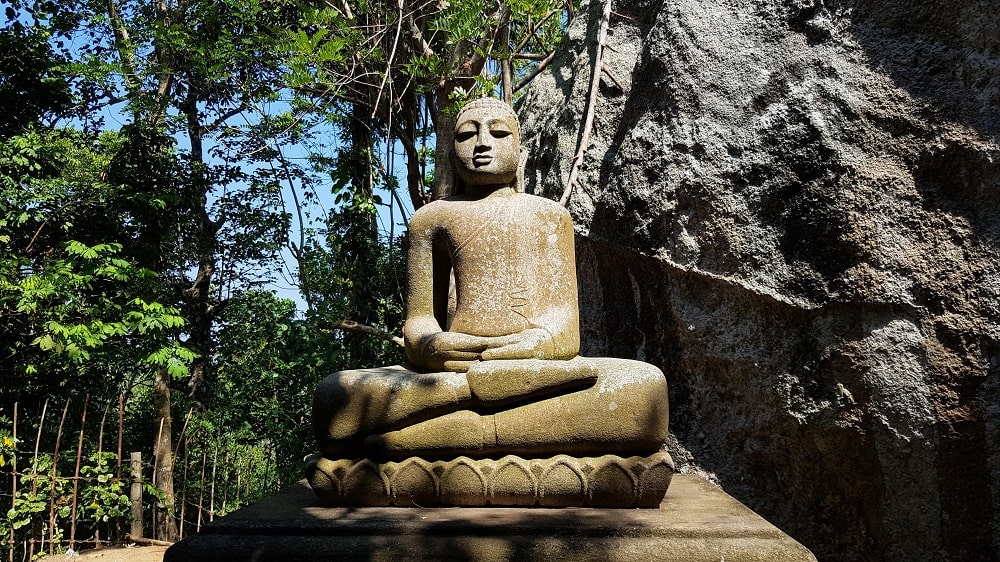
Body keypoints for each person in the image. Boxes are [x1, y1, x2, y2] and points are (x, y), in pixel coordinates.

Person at [312, 97, 668, 463]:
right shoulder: (431, 219)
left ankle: (431, 436)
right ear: (452, 156)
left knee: (642, 389)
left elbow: (565, 328)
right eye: (467, 135)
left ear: (520, 152)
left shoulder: (549, 216)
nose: (482, 143)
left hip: (532, 371)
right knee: (336, 396)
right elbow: (418, 323)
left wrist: (534, 344)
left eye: (498, 133)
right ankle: (486, 414)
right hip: (455, 371)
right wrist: (433, 345)